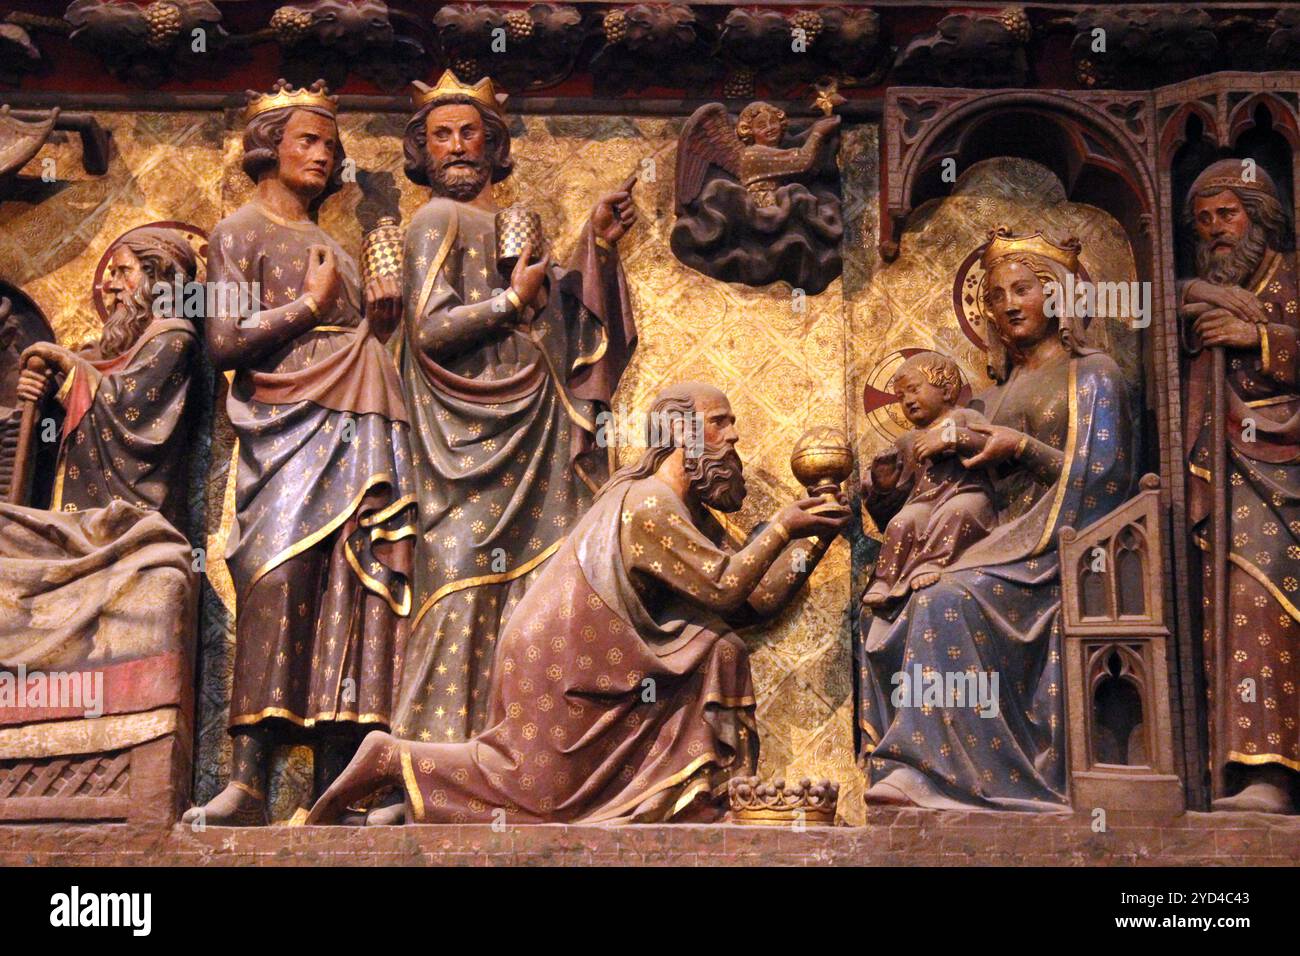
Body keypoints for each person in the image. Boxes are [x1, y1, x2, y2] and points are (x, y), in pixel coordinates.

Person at [306, 382, 850, 825]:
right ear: (682, 434)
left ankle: (699, 799)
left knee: (721, 649)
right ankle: (389, 757)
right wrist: (782, 526)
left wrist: (816, 535)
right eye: (720, 422)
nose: (734, 436)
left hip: (611, 667)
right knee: (535, 789)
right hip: (566, 668)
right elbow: (726, 587)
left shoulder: (690, 516)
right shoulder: (648, 504)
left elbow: (753, 602)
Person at [182, 81, 416, 826]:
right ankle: (248, 780)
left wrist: (379, 319)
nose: (323, 155)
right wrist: (308, 308)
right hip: (285, 428)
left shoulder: (342, 254)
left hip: (364, 425)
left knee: (356, 588)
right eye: (307, 141)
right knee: (275, 578)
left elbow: (360, 345)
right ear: (268, 147)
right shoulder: (238, 232)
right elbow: (222, 343)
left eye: (331, 146)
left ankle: (337, 786)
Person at [857, 228, 1135, 811]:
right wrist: (889, 487)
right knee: (887, 605)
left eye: (1024, 289)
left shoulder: (1094, 376)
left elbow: (1107, 484)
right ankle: (919, 763)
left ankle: (936, 770)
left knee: (943, 598)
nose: (1009, 304)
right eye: (996, 295)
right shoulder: (986, 399)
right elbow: (941, 486)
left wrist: (1021, 449)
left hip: (1061, 555)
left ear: (1057, 296)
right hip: (986, 545)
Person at [1179, 158, 1300, 812]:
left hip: (1289, 468)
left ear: (1261, 216)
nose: (1216, 231)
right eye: (1203, 222)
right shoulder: (1213, 283)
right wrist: (1204, 296)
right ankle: (1239, 770)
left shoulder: (1294, 275)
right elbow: (1164, 297)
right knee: (1225, 610)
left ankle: (1273, 776)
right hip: (1228, 471)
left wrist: (1255, 336)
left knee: (1265, 603)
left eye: (1227, 214)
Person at [16, 226, 198, 524]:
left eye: (122, 271)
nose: (110, 285)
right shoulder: (114, 349)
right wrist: (43, 390)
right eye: (111, 273)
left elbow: (129, 408)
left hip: (135, 513)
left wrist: (67, 363)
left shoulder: (174, 336)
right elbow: (85, 384)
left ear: (157, 278)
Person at [861, 351, 996, 607]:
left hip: (968, 492)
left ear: (945, 391)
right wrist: (884, 485)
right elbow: (892, 504)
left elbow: (992, 444)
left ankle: (933, 562)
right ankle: (885, 578)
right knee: (902, 522)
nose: (908, 401)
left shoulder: (964, 418)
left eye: (914, 390)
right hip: (925, 503)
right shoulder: (907, 441)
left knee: (957, 512)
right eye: (901, 397)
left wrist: (953, 438)